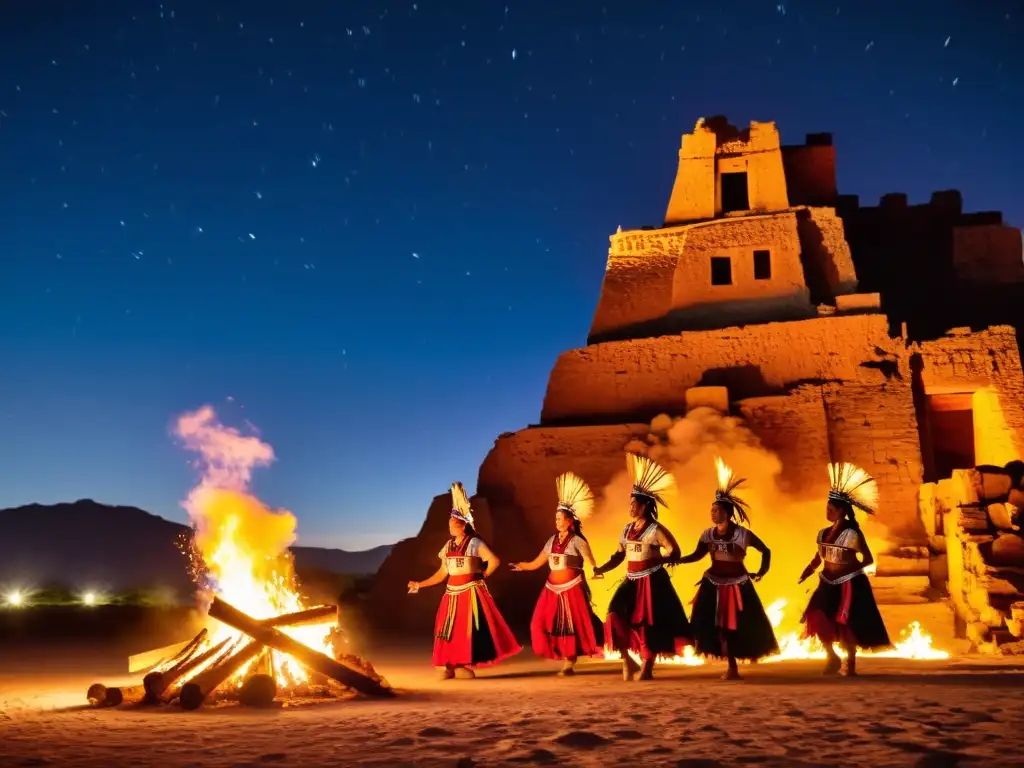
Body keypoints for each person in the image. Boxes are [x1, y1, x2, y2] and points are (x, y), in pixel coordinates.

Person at [675, 457, 779, 680]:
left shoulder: (743, 534)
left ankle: (733, 667)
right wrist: (677, 560)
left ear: (728, 513)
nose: (712, 513)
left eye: (717, 510)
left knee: (736, 626)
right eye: (711, 509)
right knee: (713, 625)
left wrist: (761, 572)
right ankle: (730, 665)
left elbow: (766, 550)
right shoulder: (707, 534)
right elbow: (698, 555)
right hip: (712, 583)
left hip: (738, 585)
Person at [408, 482, 521, 678]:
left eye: (454, 523)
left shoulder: (475, 543)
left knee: (465, 630)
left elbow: (494, 561)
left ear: (464, 526)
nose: (450, 526)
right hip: (451, 594)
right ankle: (448, 664)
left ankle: (462, 663)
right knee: (447, 629)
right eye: (450, 523)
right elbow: (442, 574)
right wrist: (420, 584)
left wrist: (482, 576)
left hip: (470, 592)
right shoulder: (448, 546)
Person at [594, 453, 692, 681]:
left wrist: (662, 561)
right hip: (631, 580)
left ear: (645, 505)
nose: (629, 507)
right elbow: (619, 555)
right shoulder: (627, 530)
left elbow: (674, 551)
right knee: (613, 614)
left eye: (633, 503)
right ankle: (627, 659)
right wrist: (602, 569)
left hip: (653, 582)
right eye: (629, 503)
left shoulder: (655, 529)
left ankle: (647, 666)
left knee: (650, 625)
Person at [798, 462, 892, 676]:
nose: (827, 511)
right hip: (827, 581)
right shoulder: (822, 533)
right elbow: (817, 558)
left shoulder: (852, 534)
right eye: (826, 508)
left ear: (841, 511)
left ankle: (850, 663)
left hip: (850, 584)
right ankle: (831, 656)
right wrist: (808, 570)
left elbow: (867, 559)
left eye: (831, 509)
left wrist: (849, 571)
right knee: (817, 615)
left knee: (847, 622)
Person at [510, 471, 604, 676]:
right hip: (551, 589)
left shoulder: (578, 540)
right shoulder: (551, 541)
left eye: (561, 518)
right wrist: (522, 566)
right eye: (556, 518)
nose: (557, 521)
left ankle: (569, 664)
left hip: (572, 589)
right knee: (539, 623)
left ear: (570, 520)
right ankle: (559, 655)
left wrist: (597, 571)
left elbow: (591, 560)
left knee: (571, 626)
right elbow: (537, 562)